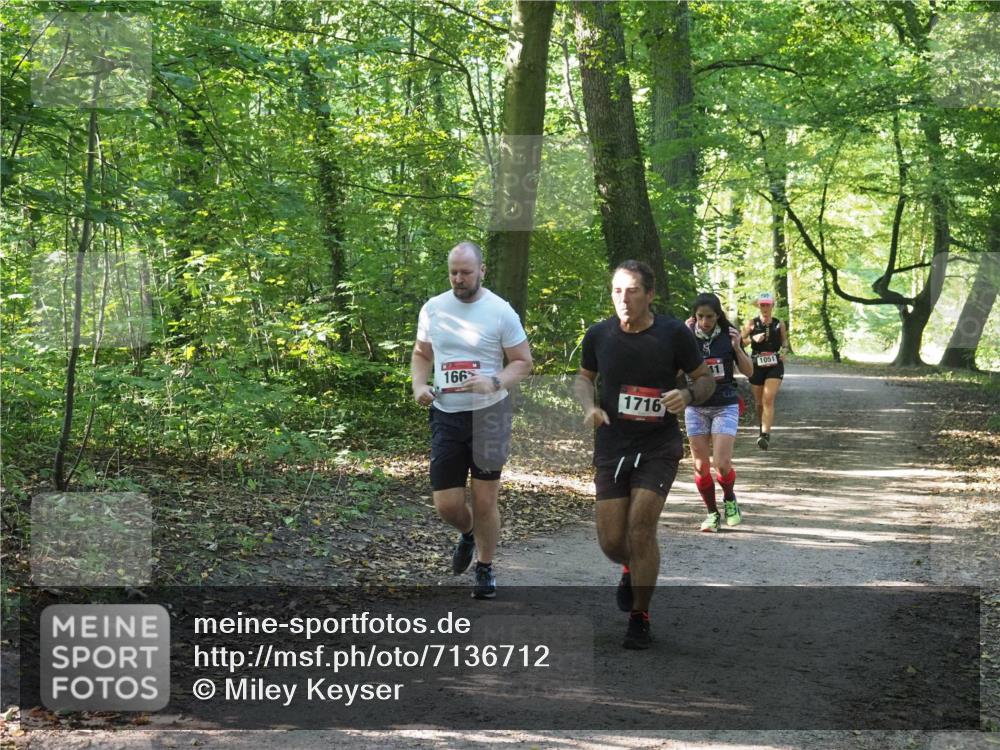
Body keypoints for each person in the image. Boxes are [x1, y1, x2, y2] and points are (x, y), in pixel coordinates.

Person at [574, 260, 714, 649]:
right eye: (617, 290)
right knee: (612, 541)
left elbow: (705, 379)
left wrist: (685, 395)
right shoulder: (599, 334)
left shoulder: (673, 334)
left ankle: (640, 616)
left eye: (632, 290)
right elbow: (584, 379)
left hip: (658, 446)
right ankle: (629, 567)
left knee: (640, 527)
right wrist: (590, 407)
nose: (624, 299)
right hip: (612, 444)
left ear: (649, 295)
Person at [410, 241, 532, 599]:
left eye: (465, 272)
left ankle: (485, 567)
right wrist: (419, 383)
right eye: (453, 273)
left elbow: (523, 361)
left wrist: (494, 380)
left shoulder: (500, 311)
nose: (459, 279)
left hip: (491, 413)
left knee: (484, 500)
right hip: (447, 414)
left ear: (482, 271)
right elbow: (421, 353)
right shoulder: (433, 308)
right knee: (447, 504)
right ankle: (467, 533)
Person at [683, 293, 754, 532]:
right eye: (700, 317)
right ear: (694, 316)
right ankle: (712, 513)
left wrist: (737, 348)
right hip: (696, 407)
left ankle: (730, 498)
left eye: (710, 317)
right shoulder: (686, 337)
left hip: (725, 405)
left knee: (722, 464)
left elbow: (750, 371)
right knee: (701, 466)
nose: (704, 321)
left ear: (718, 316)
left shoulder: (728, 336)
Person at [741, 292, 789, 450]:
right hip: (756, 364)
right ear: (759, 306)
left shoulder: (779, 323)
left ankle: (765, 435)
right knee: (759, 402)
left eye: (768, 304)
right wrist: (752, 339)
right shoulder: (752, 323)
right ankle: (761, 429)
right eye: (762, 304)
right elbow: (740, 342)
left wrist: (783, 352)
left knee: (768, 399)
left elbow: (785, 342)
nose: (765, 307)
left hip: (774, 364)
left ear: (772, 306)